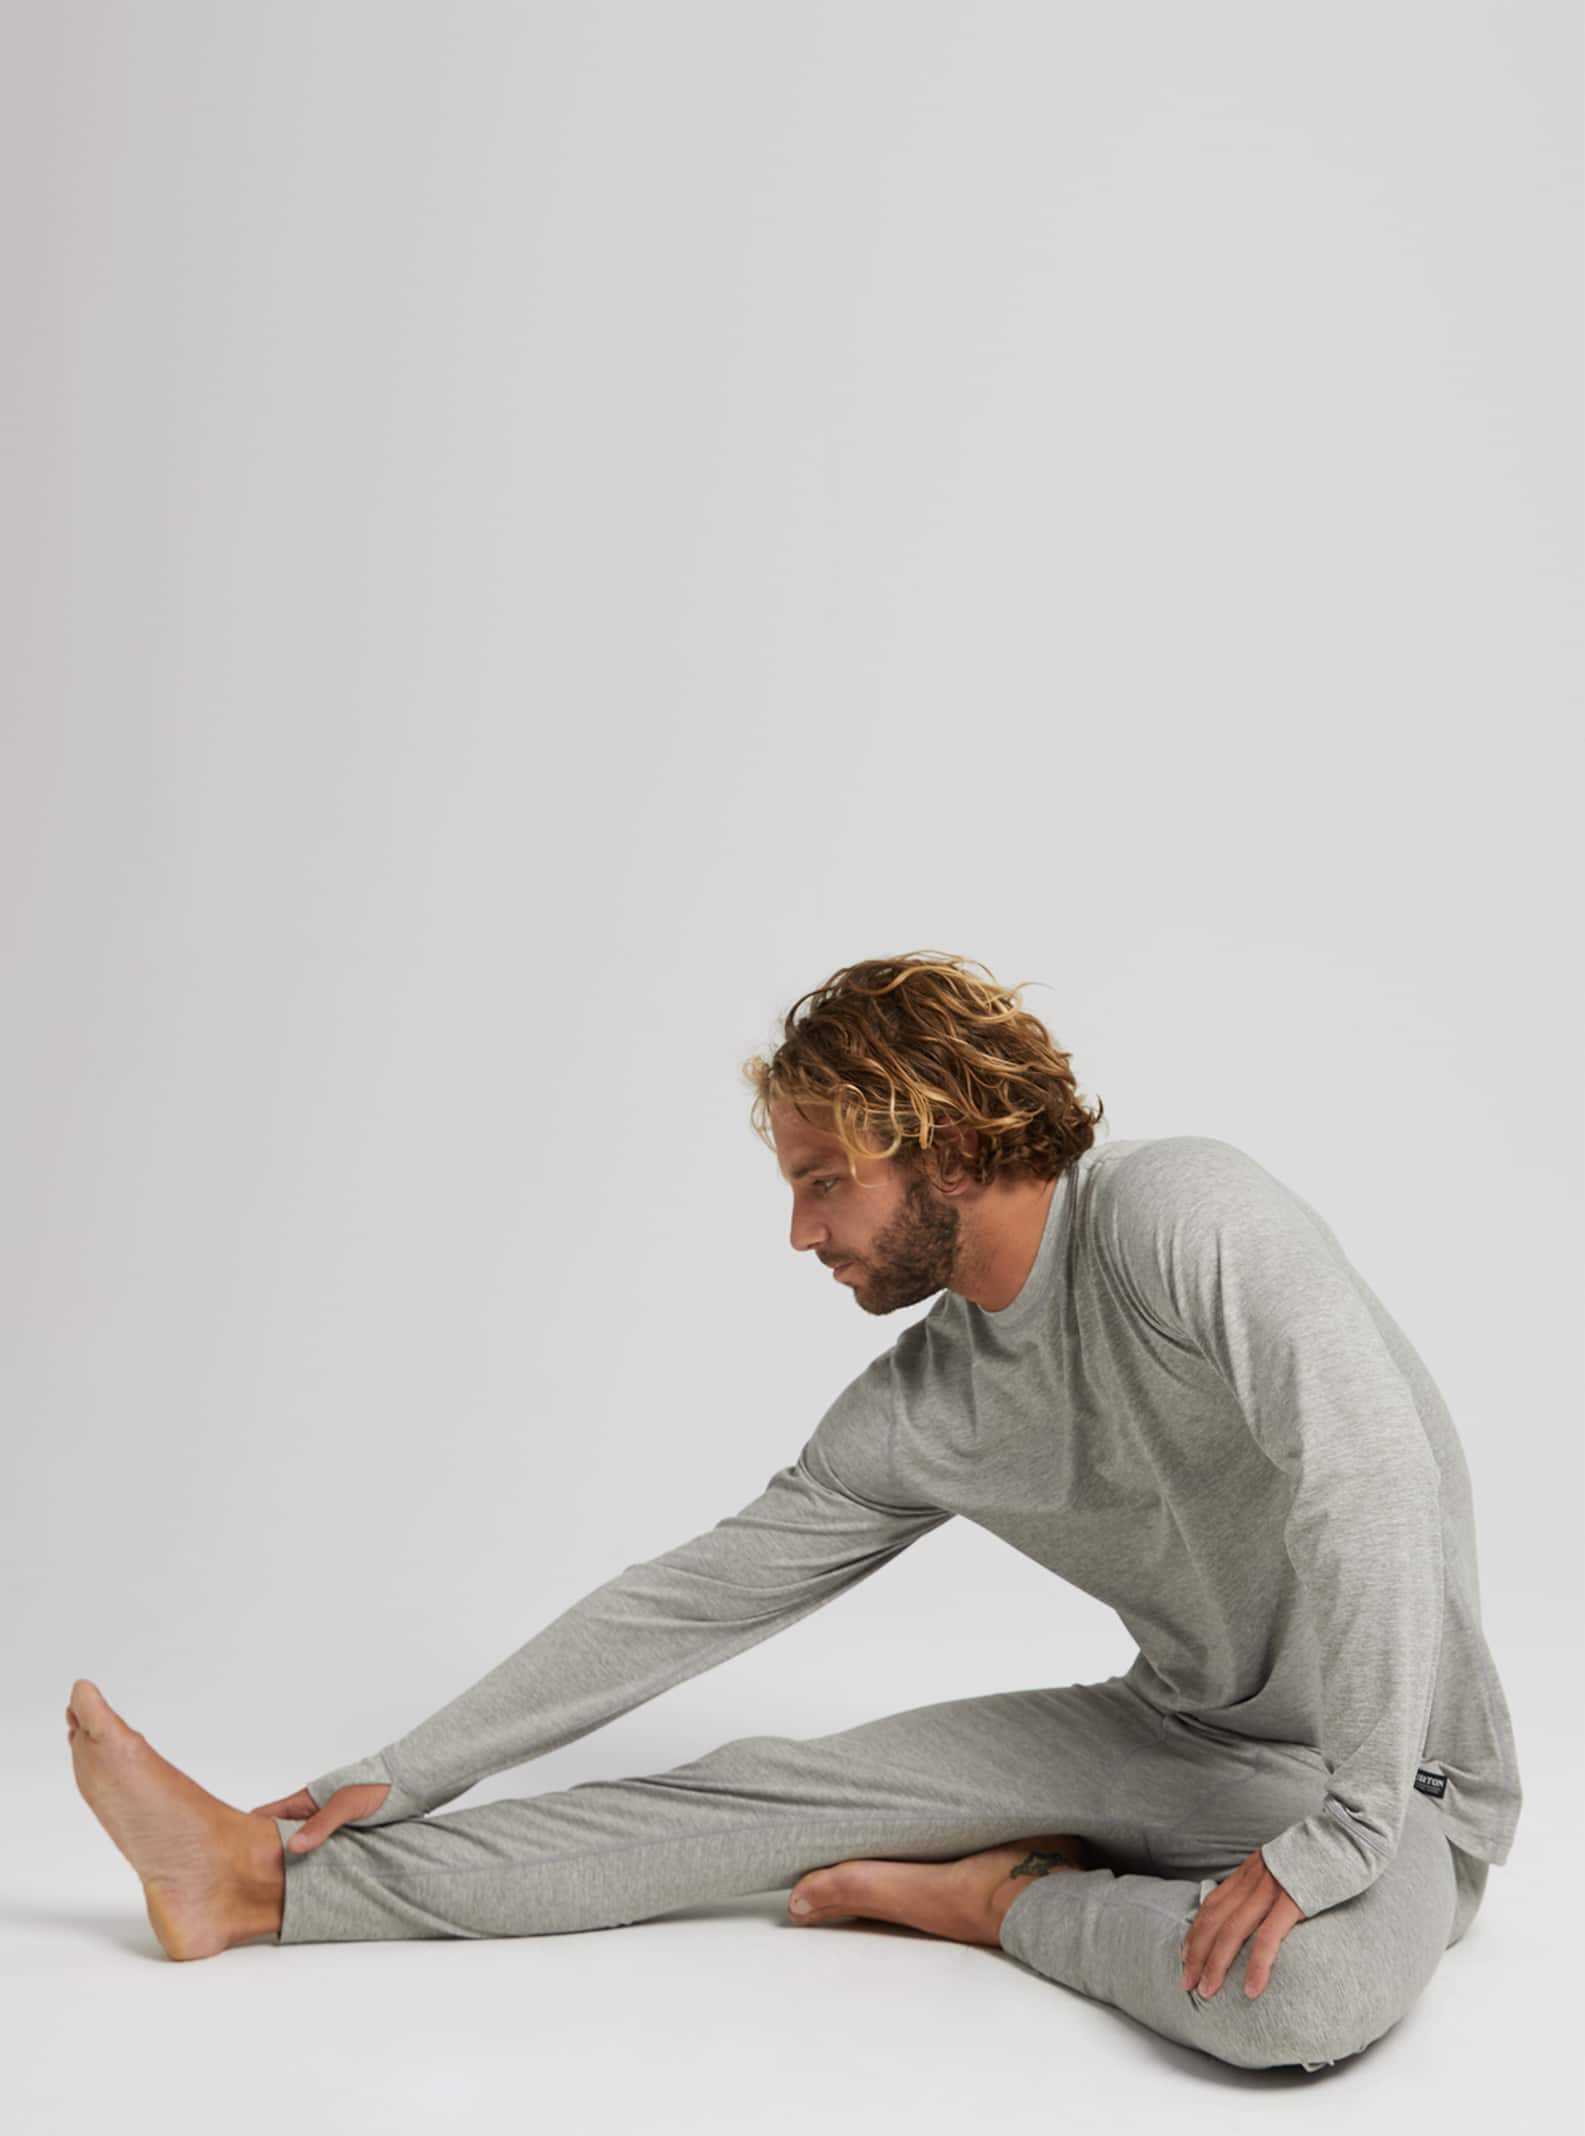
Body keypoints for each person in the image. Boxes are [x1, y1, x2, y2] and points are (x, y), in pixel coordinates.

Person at [67, 950, 1519, 2071]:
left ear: (951, 1146)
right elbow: (692, 1599)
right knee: (758, 1793)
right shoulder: (926, 1401)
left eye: (827, 1183)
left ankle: (1000, 1903)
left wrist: (1348, 1824)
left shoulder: (1182, 1218)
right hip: (1176, 1739)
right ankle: (255, 1889)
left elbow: (1370, 1478)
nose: (800, 1231)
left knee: (1295, 2004)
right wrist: (408, 1766)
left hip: (1403, 1779)